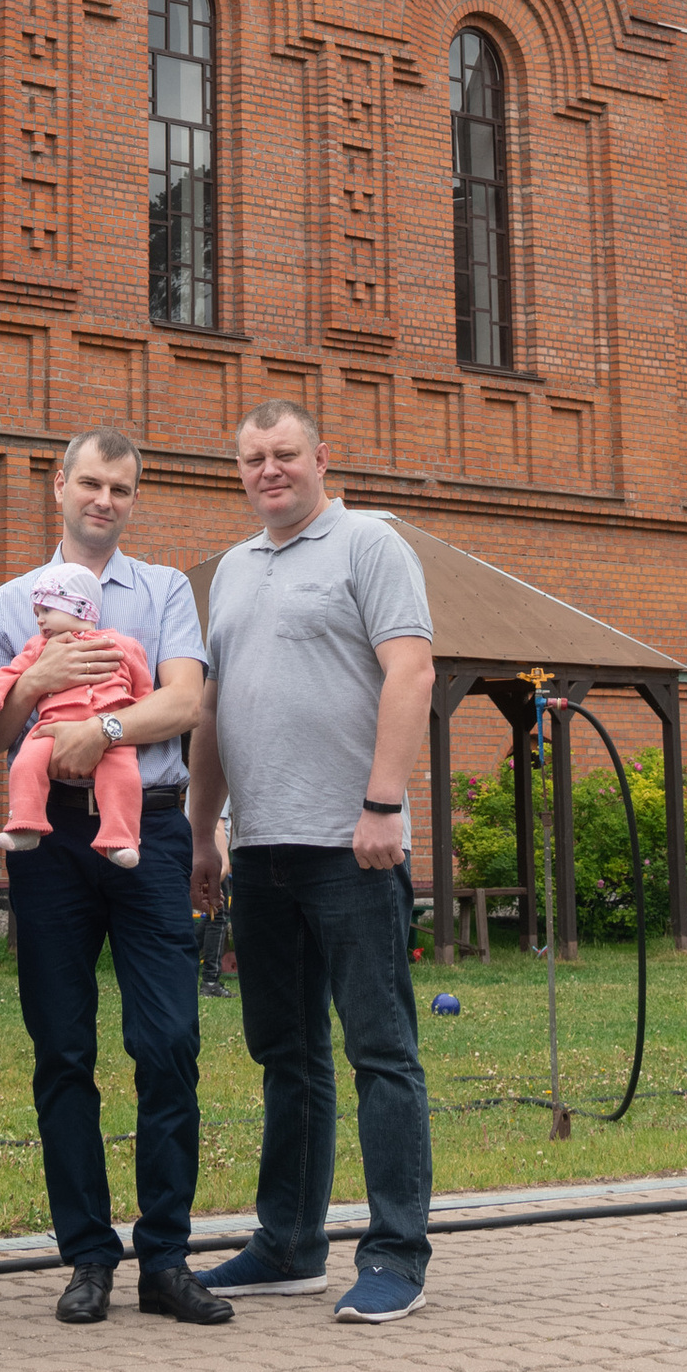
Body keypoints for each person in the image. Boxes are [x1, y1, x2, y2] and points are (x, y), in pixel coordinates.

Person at [0, 429, 227, 1330]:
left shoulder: (163, 592)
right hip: (47, 845)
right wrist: (38, 681)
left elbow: (185, 701)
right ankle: (86, 1257)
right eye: (90, 482)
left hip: (146, 831)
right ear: (59, 487)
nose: (104, 499)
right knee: (62, 1051)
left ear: (133, 498)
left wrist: (104, 733)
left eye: (120, 487)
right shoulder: (9, 604)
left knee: (168, 1044)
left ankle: (165, 1256)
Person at [186, 400, 437, 1325]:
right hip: (260, 852)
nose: (268, 471)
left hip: (352, 845)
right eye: (251, 459)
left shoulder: (370, 546)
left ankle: (397, 1253)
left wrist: (381, 803)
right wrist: (205, 830)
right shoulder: (233, 573)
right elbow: (213, 713)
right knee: (285, 1054)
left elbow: (411, 672)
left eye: (284, 454)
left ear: (321, 457)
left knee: (381, 1052)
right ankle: (289, 1245)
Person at [0, 559, 153, 861]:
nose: (40, 620)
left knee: (124, 777)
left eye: (47, 610)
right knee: (25, 764)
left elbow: (143, 686)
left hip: (111, 733)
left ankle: (122, 839)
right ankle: (25, 823)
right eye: (37, 613)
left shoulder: (123, 644)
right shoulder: (38, 648)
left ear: (80, 609)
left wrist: (139, 711)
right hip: (50, 728)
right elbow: (9, 672)